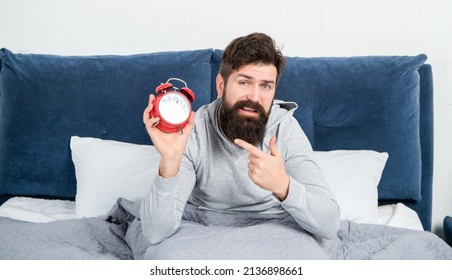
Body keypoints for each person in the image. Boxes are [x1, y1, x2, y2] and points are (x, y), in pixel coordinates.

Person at [141, 32, 340, 245]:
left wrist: (283, 185)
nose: (255, 97)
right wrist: (170, 162)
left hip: (273, 227)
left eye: (266, 86)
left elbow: (329, 224)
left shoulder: (284, 128)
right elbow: (155, 233)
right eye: (244, 82)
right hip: (204, 228)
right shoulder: (195, 130)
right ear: (221, 85)